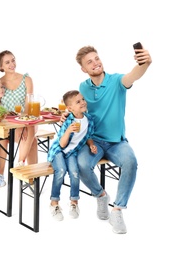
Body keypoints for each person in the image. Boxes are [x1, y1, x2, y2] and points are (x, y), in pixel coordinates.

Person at [61, 44, 152, 233]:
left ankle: (117, 210)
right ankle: (101, 195)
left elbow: (133, 74)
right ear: (83, 69)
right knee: (82, 164)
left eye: (96, 58)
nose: (95, 63)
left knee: (130, 162)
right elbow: (77, 109)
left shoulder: (117, 81)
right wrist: (65, 115)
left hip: (116, 142)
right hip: (92, 141)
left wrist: (145, 63)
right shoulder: (82, 88)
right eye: (89, 62)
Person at [0, 50, 38, 167]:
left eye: (13, 60)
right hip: (7, 123)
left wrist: (23, 122)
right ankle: (29, 177)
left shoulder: (26, 79)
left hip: (25, 120)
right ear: (1, 67)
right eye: (7, 62)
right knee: (33, 142)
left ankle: (21, 163)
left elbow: (29, 104)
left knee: (29, 127)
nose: (12, 64)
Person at [48, 90, 97, 221]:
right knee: (61, 170)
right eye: (78, 101)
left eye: (83, 100)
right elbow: (62, 144)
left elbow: (88, 136)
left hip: (72, 152)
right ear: (70, 108)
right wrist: (69, 130)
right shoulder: (68, 120)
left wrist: (91, 144)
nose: (83, 102)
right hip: (59, 151)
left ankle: (74, 202)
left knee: (75, 172)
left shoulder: (89, 119)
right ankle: (54, 203)